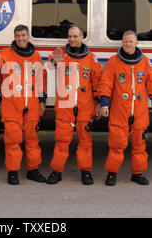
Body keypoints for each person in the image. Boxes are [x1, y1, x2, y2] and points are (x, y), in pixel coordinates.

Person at [99, 30, 152, 186]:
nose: (128, 44)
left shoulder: (145, 61)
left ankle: (137, 174)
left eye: (131, 41)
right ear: (122, 42)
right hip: (120, 109)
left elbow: (151, 83)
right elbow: (106, 83)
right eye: (125, 41)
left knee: (139, 145)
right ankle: (112, 174)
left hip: (139, 110)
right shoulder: (114, 61)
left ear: (136, 43)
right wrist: (104, 103)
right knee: (116, 144)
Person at [46, 25, 102, 185]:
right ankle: (56, 172)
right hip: (65, 106)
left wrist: (99, 103)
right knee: (61, 141)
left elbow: (97, 82)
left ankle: (86, 172)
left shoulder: (91, 58)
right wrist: (54, 63)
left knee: (85, 141)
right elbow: (47, 68)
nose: (72, 39)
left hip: (85, 106)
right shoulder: (60, 54)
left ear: (82, 37)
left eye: (75, 36)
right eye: (69, 36)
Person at [0, 24, 47, 185]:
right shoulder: (6, 53)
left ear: (28, 36)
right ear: (14, 37)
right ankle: (13, 172)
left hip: (31, 103)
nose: (21, 38)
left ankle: (33, 170)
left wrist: (42, 101)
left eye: (23, 35)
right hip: (11, 103)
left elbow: (41, 80)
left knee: (32, 139)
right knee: (12, 140)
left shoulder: (35, 56)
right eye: (18, 36)